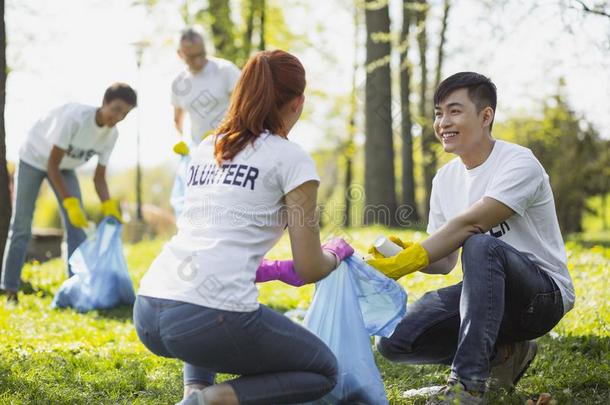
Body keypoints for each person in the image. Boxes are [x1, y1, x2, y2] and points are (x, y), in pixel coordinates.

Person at [134, 50, 354, 405]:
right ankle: (203, 401)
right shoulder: (291, 157)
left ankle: (195, 388)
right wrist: (335, 252)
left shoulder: (208, 146)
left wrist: (268, 268)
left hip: (149, 307)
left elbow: (213, 236)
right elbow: (310, 266)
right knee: (323, 371)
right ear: (298, 102)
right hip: (206, 319)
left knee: (205, 299)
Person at [368, 72, 575, 404]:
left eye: (454, 111)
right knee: (395, 341)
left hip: (540, 297)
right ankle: (504, 355)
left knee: (480, 244)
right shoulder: (444, 179)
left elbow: (474, 223)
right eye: (438, 113)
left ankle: (467, 387)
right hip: (486, 298)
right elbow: (445, 261)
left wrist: (415, 256)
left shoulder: (519, 162)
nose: (442, 122)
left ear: (485, 115)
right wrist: (404, 254)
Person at [1, 83, 137, 304]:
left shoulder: (111, 135)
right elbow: (51, 165)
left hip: (65, 167)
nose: (118, 117)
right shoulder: (76, 119)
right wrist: (70, 203)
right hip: (34, 158)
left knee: (77, 226)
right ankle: (10, 290)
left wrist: (108, 206)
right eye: (116, 109)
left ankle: (74, 289)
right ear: (104, 102)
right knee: (22, 225)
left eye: (125, 113)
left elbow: (99, 177)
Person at [171, 27, 241, 155]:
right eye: (191, 57)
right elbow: (177, 120)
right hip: (199, 151)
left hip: (232, 148)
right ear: (180, 54)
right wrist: (182, 142)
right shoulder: (178, 83)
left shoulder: (226, 70)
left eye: (201, 54)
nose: (198, 61)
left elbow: (244, 107)